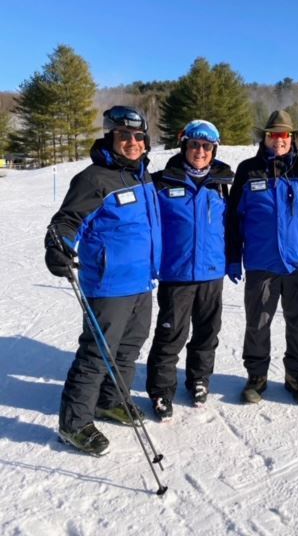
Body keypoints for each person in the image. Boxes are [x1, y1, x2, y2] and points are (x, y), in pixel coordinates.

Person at [44, 106, 161, 456]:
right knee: (97, 353)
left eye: (138, 136)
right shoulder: (94, 178)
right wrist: (58, 246)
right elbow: (67, 221)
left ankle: (111, 401)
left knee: (129, 348)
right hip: (109, 285)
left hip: (141, 281)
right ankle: (74, 423)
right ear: (111, 137)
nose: (132, 142)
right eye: (123, 136)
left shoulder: (143, 175)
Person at [227, 110, 298, 405]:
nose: (278, 140)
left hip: (297, 266)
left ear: (291, 138)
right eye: (273, 134)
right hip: (260, 265)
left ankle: (296, 376)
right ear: (265, 137)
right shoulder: (247, 170)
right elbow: (233, 218)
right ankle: (257, 377)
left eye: (284, 135)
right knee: (258, 323)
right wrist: (233, 256)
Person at [146, 120, 234, 421]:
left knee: (207, 332)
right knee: (171, 334)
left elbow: (232, 227)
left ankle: (199, 379)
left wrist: (232, 259)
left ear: (214, 150)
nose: (200, 151)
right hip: (177, 273)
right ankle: (161, 391)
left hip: (211, 273)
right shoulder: (160, 183)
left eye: (206, 146)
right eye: (195, 145)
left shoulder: (222, 185)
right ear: (184, 146)